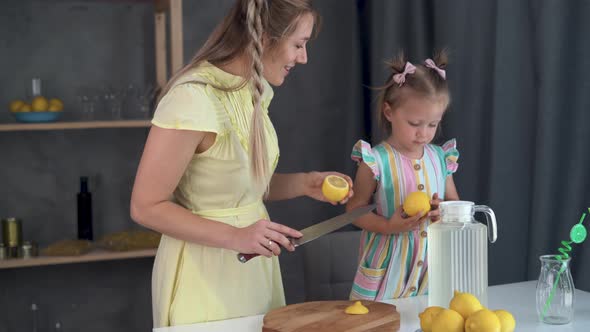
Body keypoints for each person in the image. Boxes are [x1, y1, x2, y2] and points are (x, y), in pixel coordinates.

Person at [130, 0, 353, 327]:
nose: (303, 58)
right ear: (264, 39)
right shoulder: (193, 99)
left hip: (252, 268)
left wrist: (308, 183)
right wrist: (236, 237)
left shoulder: (252, 92)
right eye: (299, 45)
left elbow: (242, 186)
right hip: (205, 276)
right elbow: (145, 206)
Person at [345, 50, 460, 301]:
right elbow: (354, 210)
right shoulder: (375, 160)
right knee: (377, 325)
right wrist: (388, 226)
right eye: (414, 123)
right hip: (386, 270)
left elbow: (453, 202)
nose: (424, 134)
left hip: (429, 269)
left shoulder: (441, 158)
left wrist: (444, 210)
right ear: (389, 112)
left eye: (432, 125)